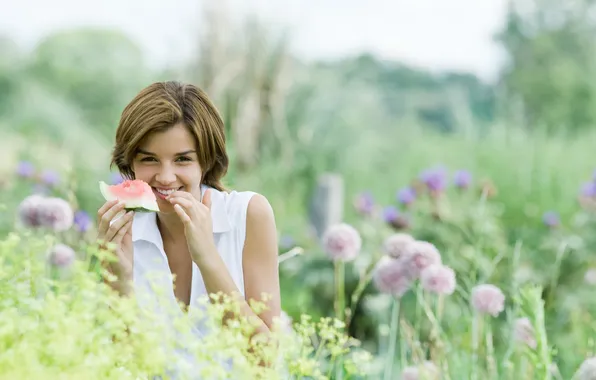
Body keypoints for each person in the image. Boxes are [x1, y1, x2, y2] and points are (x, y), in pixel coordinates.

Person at [95, 81, 281, 344]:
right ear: (130, 163)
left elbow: (265, 358)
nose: (166, 177)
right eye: (149, 159)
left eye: (183, 159)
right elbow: (124, 364)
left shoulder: (248, 214)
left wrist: (207, 258)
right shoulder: (121, 229)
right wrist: (119, 283)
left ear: (205, 161)